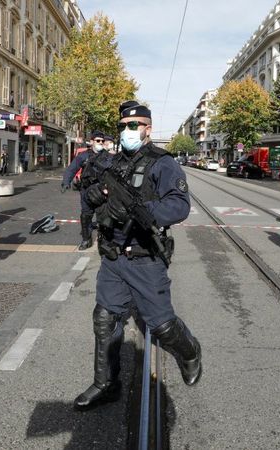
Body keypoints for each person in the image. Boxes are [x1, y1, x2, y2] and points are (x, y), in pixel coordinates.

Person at [74, 102, 202, 410]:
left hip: (145, 257)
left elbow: (179, 205)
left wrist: (141, 211)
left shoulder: (163, 162)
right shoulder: (113, 162)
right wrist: (91, 198)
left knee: (161, 326)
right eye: (122, 127)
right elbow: (92, 193)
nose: (126, 132)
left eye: (134, 126)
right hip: (113, 256)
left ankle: (190, 352)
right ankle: (106, 383)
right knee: (104, 318)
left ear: (148, 129)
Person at [61, 131, 109, 250]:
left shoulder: (108, 156)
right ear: (92, 142)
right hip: (86, 191)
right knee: (85, 216)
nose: (100, 143)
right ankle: (86, 240)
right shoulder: (83, 156)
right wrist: (66, 182)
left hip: (102, 192)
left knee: (103, 217)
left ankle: (104, 241)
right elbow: (71, 169)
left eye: (102, 141)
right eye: (98, 141)